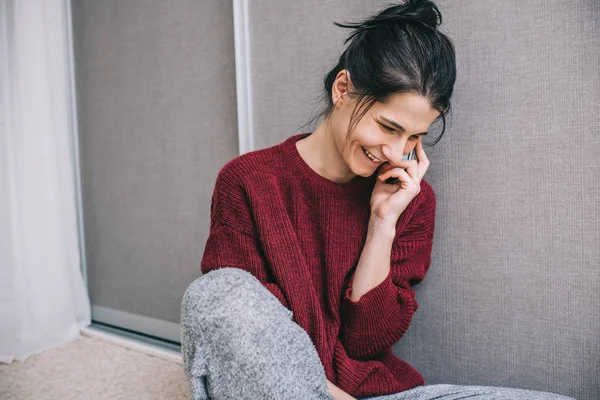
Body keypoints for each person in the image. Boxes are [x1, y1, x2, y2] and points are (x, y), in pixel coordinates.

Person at [180, 1, 575, 399]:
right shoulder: (248, 181)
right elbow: (250, 343)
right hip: (283, 389)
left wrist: (382, 223)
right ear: (342, 90)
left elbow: (367, 344)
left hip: (378, 393)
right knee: (218, 293)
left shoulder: (410, 199)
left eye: (414, 137)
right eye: (388, 126)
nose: (395, 152)